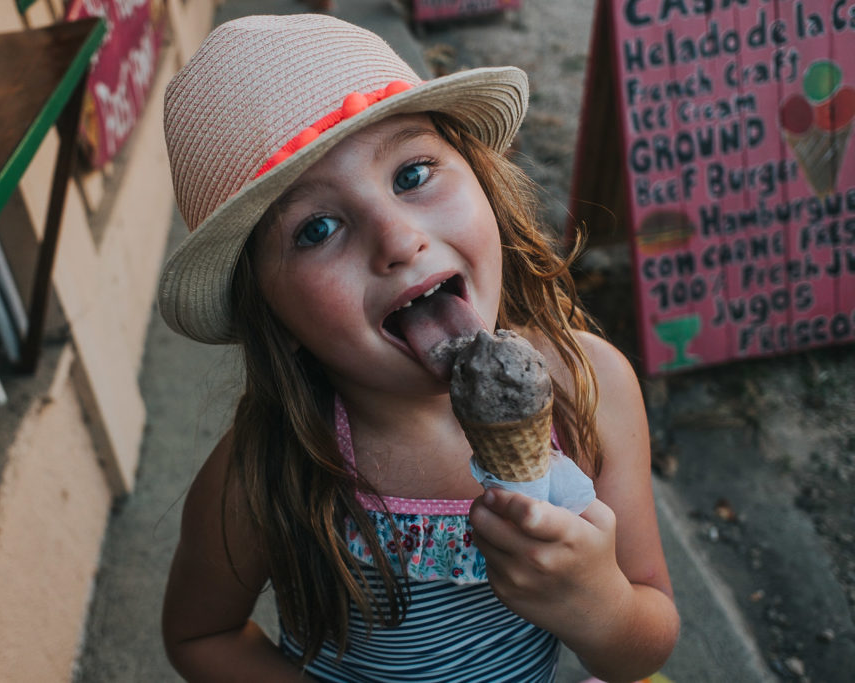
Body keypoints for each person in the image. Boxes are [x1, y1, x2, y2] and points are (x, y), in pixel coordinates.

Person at [159, 14, 679, 682]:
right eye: (317, 227)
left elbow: (646, 633)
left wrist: (601, 608)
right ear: (272, 314)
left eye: (412, 174)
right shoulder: (264, 465)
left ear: (484, 180)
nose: (399, 239)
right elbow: (200, 633)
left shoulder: (590, 386)